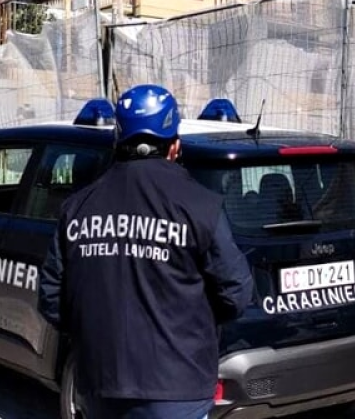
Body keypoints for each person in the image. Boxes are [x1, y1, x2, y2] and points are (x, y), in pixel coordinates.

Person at [38, 84, 254, 419]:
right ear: (175, 146)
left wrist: (95, 331)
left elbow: (51, 299)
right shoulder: (201, 206)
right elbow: (236, 293)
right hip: (178, 385)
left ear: (117, 141)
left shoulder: (77, 208)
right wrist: (190, 325)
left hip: (101, 383)